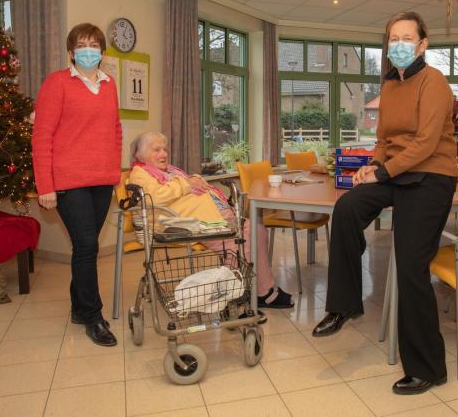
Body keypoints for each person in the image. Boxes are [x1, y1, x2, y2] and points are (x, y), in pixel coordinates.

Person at [312, 12, 456, 395]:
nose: (400, 44)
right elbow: (383, 140)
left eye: (408, 37)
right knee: (346, 208)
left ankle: (429, 367)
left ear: (423, 44)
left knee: (409, 266)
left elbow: (425, 143)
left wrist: (383, 171)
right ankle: (345, 304)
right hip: (395, 172)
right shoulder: (390, 86)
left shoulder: (434, 81)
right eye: (394, 38)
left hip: (431, 176)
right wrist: (373, 165)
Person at [127, 131, 294, 309]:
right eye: (156, 150)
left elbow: (191, 180)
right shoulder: (140, 174)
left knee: (257, 229)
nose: (164, 154)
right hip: (191, 223)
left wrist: (193, 180)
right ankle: (235, 300)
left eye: (165, 149)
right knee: (236, 246)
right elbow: (157, 197)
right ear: (140, 154)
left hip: (214, 216)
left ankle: (263, 290)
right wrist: (188, 183)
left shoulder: (167, 170)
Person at [32, 23, 121, 347]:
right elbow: (42, 136)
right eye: (82, 45)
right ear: (71, 52)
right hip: (68, 181)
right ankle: (93, 316)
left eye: (94, 44)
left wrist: (115, 171)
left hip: (102, 180)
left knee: (86, 247)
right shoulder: (57, 83)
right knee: (87, 246)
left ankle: (78, 307)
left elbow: (115, 129)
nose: (88, 50)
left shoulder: (110, 85)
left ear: (102, 51)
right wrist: (46, 186)